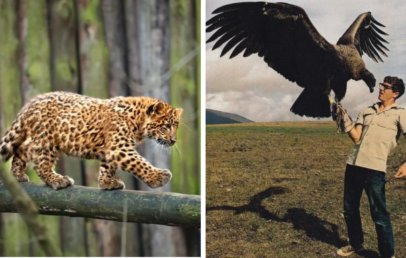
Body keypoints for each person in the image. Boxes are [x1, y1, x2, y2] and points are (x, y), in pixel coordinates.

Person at [333, 76, 406, 258]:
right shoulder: (367, 111)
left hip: (375, 169)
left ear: (395, 93)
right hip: (354, 164)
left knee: (379, 214)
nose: (381, 88)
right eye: (381, 84)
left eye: (386, 87)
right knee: (350, 209)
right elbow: (357, 136)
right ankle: (356, 244)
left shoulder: (400, 114)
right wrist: (345, 119)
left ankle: (388, 254)